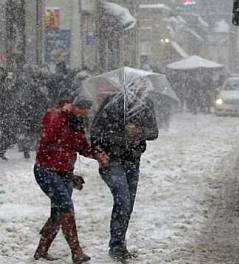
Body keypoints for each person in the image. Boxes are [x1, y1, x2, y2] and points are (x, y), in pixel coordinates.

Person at [90, 80, 158, 260]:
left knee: (128, 205)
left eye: (142, 87)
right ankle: (116, 245)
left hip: (133, 161)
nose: (140, 90)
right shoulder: (111, 104)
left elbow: (154, 132)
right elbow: (95, 131)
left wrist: (138, 131)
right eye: (136, 86)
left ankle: (119, 243)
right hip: (113, 160)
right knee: (123, 200)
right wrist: (99, 150)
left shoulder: (145, 105)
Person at [33, 97, 106, 263]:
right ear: (72, 106)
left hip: (65, 173)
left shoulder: (77, 124)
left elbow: (81, 147)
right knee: (65, 207)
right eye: (81, 109)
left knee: (58, 212)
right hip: (47, 170)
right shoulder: (55, 116)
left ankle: (41, 251)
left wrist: (96, 155)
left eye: (86, 111)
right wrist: (64, 119)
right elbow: (48, 137)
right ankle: (76, 251)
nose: (84, 113)